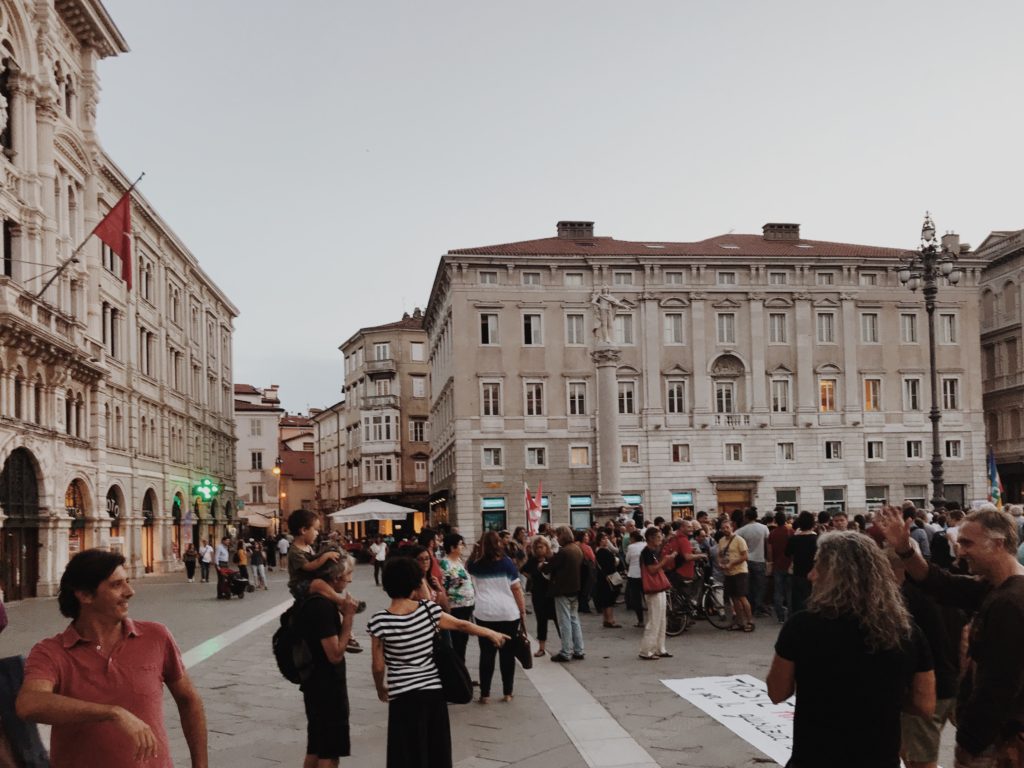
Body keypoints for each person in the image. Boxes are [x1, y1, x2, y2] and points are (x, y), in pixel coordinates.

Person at [16, 549, 208, 767]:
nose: (130, 591)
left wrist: (200, 765)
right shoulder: (51, 652)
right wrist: (112, 713)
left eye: (127, 581)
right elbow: (29, 703)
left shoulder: (156, 636)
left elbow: (189, 700)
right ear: (85, 595)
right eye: (116, 585)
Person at [767, 531, 935, 768]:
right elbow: (925, 704)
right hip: (879, 757)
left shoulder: (801, 626)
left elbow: (776, 692)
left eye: (817, 566)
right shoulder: (906, 630)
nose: (810, 575)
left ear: (835, 574)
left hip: (816, 757)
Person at [877, 505, 1024, 767]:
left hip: (998, 739)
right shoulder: (997, 587)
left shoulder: (1010, 602)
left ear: (998, 544)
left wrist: (971, 742)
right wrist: (904, 549)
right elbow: (940, 584)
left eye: (968, 543)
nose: (960, 549)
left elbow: (999, 685)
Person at [368, 557, 507, 768]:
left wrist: (381, 688)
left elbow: (378, 666)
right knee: (436, 751)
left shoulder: (379, 621)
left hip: (402, 696)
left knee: (405, 753)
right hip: (432, 692)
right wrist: (490, 633)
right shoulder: (428, 610)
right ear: (415, 583)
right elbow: (462, 625)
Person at [296, 555, 359, 768]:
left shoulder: (312, 601)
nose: (349, 581)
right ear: (336, 576)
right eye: (349, 575)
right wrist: (348, 618)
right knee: (329, 751)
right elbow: (334, 654)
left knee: (316, 746)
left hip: (314, 682)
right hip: (327, 686)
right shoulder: (322, 607)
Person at [466, 532, 526, 702]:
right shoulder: (507, 563)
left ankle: (485, 694)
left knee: (486, 654)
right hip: (508, 613)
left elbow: (467, 567)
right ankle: (507, 692)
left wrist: (474, 552)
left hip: (484, 613)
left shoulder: (475, 564)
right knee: (507, 654)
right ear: (499, 544)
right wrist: (522, 611)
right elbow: (516, 589)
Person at [543, 526, 585, 662]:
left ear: (562, 535)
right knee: (574, 620)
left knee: (564, 621)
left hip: (562, 589)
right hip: (575, 588)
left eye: (557, 536)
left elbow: (550, 567)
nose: (557, 539)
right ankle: (579, 649)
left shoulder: (564, 552)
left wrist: (542, 565)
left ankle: (566, 651)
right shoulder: (577, 549)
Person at [638, 527, 675, 660]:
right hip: (653, 589)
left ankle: (659, 648)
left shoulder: (652, 551)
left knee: (661, 619)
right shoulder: (647, 552)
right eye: (658, 537)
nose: (661, 539)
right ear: (651, 538)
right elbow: (652, 570)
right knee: (654, 620)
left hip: (658, 589)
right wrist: (665, 561)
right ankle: (647, 650)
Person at [438, 534, 475, 662]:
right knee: (458, 643)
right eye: (460, 544)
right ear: (452, 547)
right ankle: (459, 672)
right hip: (455, 607)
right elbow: (442, 587)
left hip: (466, 606)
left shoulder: (459, 561)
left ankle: (462, 670)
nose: (462, 546)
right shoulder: (445, 563)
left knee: (463, 642)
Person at [521, 536, 559, 657]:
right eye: (536, 547)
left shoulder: (552, 558)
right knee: (541, 621)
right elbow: (523, 570)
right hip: (538, 594)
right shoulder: (532, 560)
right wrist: (531, 577)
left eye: (541, 547)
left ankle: (566, 646)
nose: (539, 550)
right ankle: (542, 648)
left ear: (546, 547)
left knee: (558, 620)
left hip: (552, 594)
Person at [717, 519, 753, 632]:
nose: (725, 530)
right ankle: (739, 622)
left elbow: (745, 556)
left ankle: (750, 621)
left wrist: (732, 563)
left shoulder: (739, 540)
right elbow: (719, 554)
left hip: (739, 571)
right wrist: (720, 563)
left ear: (732, 527)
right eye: (723, 528)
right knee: (734, 598)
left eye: (727, 527)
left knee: (742, 596)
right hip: (728, 573)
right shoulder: (721, 541)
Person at [737, 508, 770, 617]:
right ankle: (759, 607)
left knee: (748, 586)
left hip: (746, 560)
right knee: (760, 586)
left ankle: (750, 606)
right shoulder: (764, 528)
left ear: (746, 517)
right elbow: (767, 544)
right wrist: (768, 559)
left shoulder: (741, 531)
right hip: (760, 559)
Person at [786, 511, 818, 614]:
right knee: (811, 599)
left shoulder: (794, 539)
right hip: (813, 573)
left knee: (797, 600)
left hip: (797, 572)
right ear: (813, 524)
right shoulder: (816, 539)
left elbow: (787, 553)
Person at [767, 511, 793, 623]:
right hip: (789, 564)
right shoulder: (790, 531)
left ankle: (780, 616)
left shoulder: (772, 533)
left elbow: (769, 551)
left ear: (775, 521)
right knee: (789, 591)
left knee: (778, 591)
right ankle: (790, 615)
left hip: (777, 565)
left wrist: (771, 562)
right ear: (785, 520)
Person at [592, 530, 621, 628]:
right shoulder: (603, 551)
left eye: (606, 538)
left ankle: (606, 619)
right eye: (604, 539)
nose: (606, 540)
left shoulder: (599, 550)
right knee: (609, 599)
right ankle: (610, 620)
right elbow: (610, 564)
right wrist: (615, 562)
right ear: (600, 541)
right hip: (608, 577)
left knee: (605, 599)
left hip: (602, 577)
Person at [624, 530, 646, 628]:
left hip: (633, 574)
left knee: (636, 598)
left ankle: (640, 620)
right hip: (645, 574)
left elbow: (627, 560)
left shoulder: (631, 547)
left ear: (632, 538)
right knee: (647, 596)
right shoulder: (645, 545)